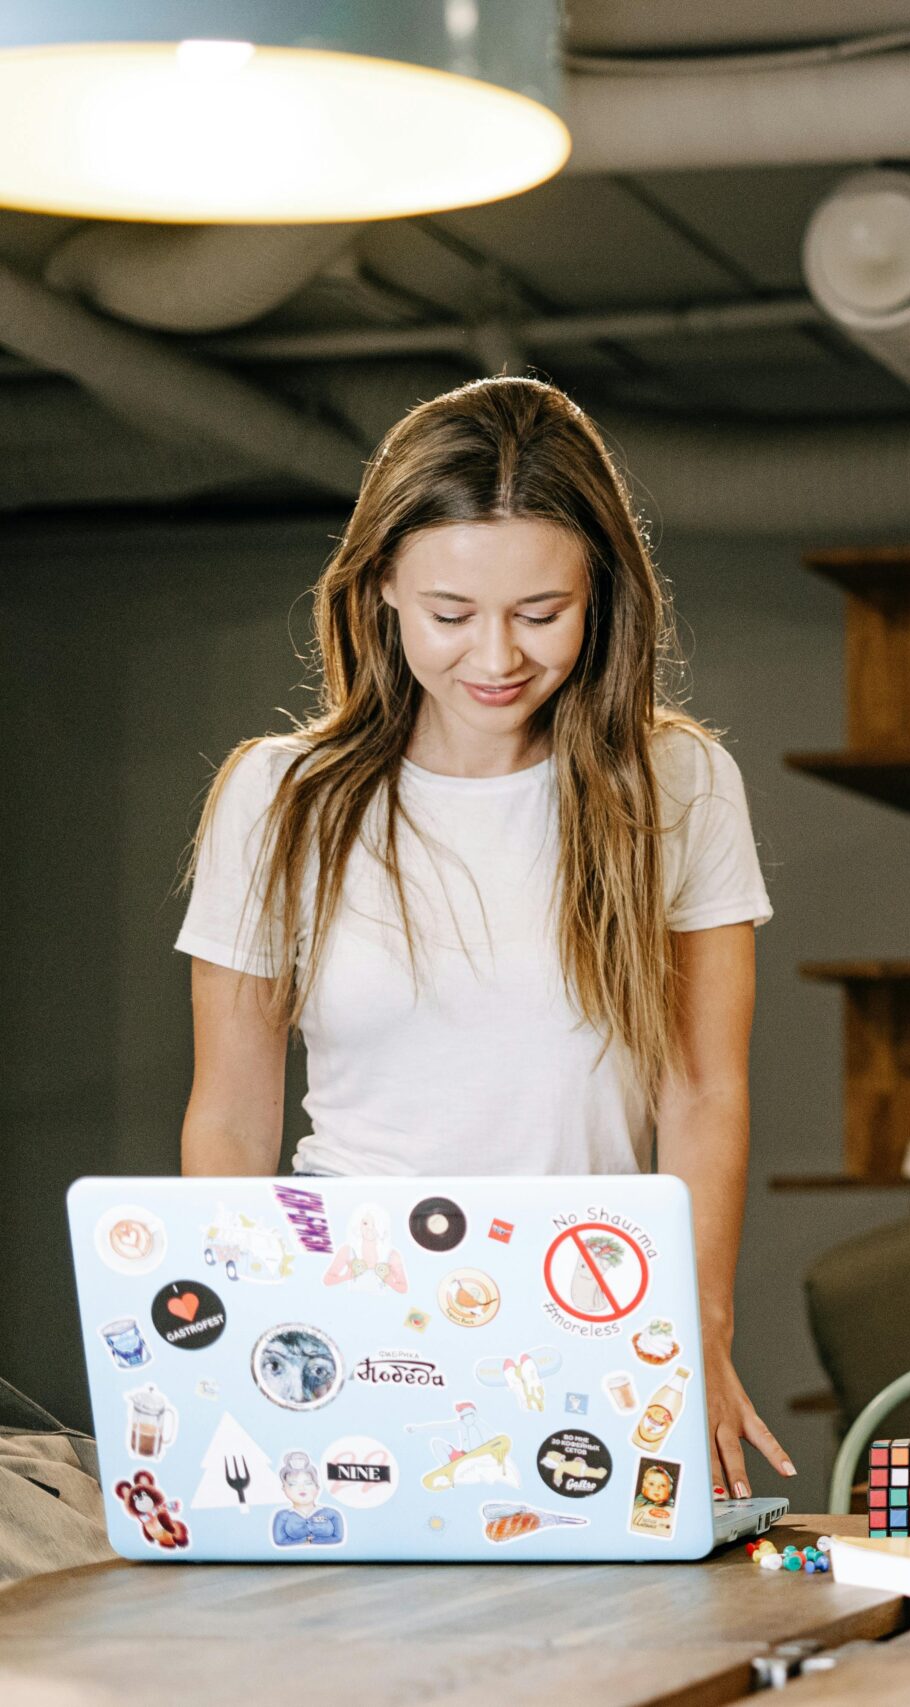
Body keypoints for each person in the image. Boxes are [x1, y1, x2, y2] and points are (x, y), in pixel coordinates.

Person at [175, 376, 794, 1503]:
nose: (496, 656)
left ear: (602, 597)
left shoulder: (679, 783)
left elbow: (703, 1092)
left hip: (594, 1314)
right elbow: (230, 1112)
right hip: (337, 1318)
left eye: (541, 613)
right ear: (380, 595)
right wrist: (236, 1343)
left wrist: (695, 1324)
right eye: (451, 615)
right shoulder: (279, 799)